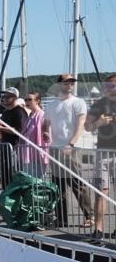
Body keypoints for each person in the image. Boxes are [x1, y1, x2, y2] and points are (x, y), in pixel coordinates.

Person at [46, 74, 92, 228]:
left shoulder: (78, 102)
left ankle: (89, 216)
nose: (69, 85)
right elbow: (46, 123)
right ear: (59, 84)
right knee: (58, 186)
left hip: (72, 148)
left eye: (71, 83)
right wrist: (46, 133)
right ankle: (61, 219)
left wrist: (71, 144)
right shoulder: (52, 105)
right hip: (56, 148)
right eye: (66, 83)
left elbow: (81, 125)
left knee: (77, 184)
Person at [85, 74, 116, 244]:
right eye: (107, 85)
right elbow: (87, 126)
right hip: (102, 154)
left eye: (112, 85)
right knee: (100, 192)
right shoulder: (99, 104)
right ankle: (98, 229)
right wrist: (99, 123)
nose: (108, 88)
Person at [0, 87, 27, 188]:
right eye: (3, 97)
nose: (4, 99)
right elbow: (4, 129)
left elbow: (20, 131)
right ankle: (6, 195)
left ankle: (15, 197)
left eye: (7, 97)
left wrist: (1, 127)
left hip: (15, 147)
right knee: (4, 174)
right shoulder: (5, 112)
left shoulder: (19, 111)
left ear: (14, 98)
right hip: (4, 147)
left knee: (13, 173)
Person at [18, 92, 50, 178]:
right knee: (29, 178)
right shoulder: (30, 115)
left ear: (37, 101)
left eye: (30, 99)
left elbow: (46, 134)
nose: (27, 102)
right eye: (26, 100)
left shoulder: (41, 115)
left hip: (37, 153)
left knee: (37, 179)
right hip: (29, 152)